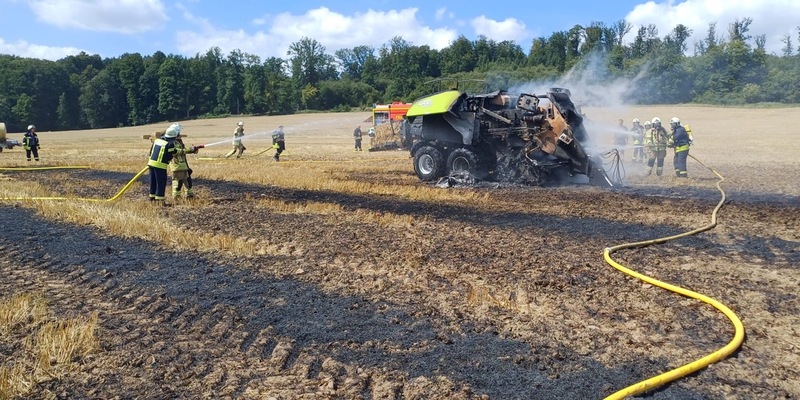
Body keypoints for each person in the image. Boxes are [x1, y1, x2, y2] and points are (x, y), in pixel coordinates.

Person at [148, 123, 182, 204]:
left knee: (153, 182)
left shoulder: (157, 140)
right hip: (160, 166)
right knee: (161, 183)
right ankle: (160, 201)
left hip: (151, 163)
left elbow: (151, 151)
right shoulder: (170, 144)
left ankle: (152, 198)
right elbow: (171, 155)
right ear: (174, 136)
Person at [170, 129, 201, 198]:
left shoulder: (179, 141)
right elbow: (177, 151)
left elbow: (184, 151)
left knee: (188, 181)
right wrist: (190, 150)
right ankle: (176, 197)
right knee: (178, 182)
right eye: (178, 133)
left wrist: (193, 150)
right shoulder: (172, 143)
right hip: (177, 165)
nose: (179, 135)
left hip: (183, 165)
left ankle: (189, 195)